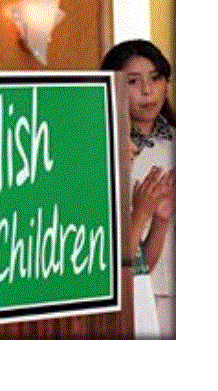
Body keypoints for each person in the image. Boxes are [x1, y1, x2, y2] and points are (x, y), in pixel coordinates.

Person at [101, 39, 175, 339]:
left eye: (155, 78)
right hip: (139, 289)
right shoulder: (105, 149)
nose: (147, 90)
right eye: (133, 81)